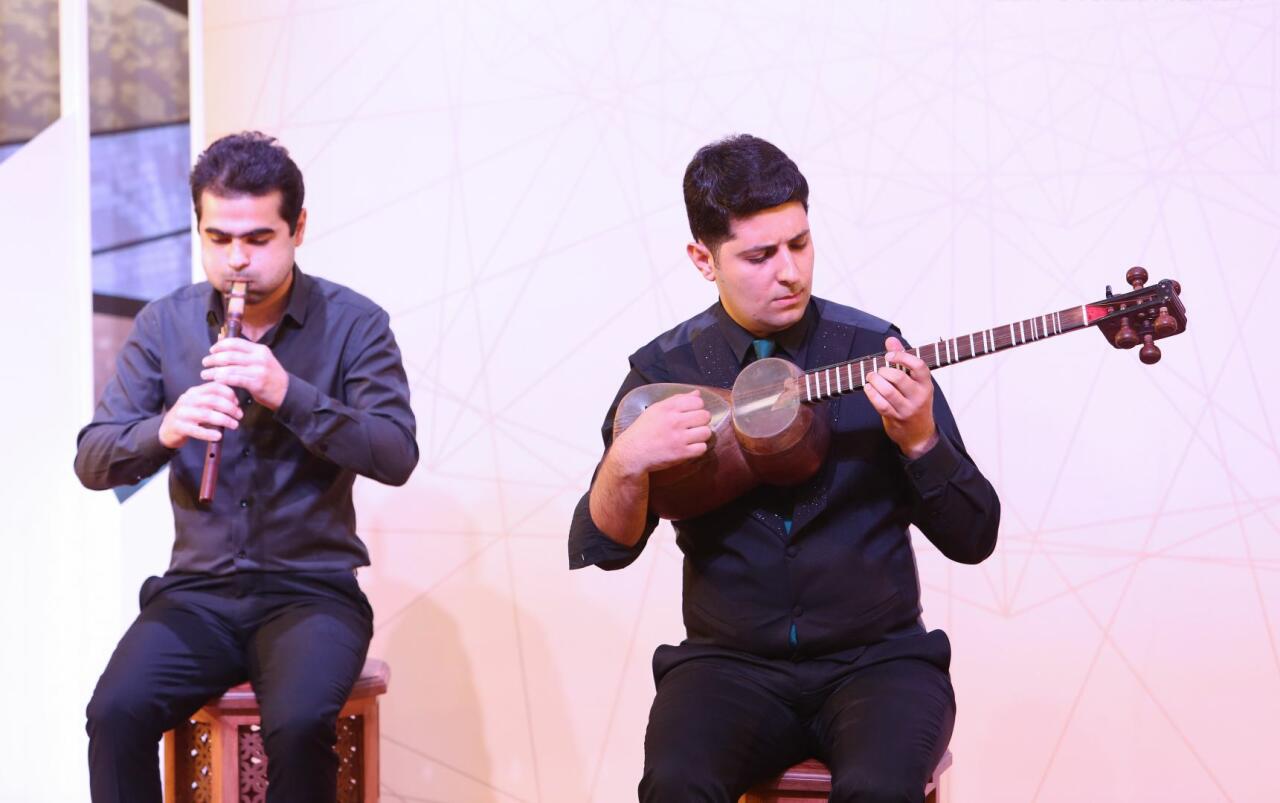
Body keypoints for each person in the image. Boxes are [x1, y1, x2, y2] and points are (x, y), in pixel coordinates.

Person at [568, 134, 1000, 803]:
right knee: (676, 784)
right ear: (704, 260)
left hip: (879, 663)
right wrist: (625, 464)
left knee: (880, 789)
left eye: (800, 244)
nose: (790, 271)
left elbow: (974, 538)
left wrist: (921, 441)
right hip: (728, 667)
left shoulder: (875, 349)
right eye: (760, 255)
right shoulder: (664, 371)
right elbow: (605, 548)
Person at [75, 131, 418, 803]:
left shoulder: (355, 323)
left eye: (258, 239)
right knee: (113, 714)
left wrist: (288, 392)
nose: (236, 259)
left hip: (311, 592)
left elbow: (395, 452)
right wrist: (165, 428)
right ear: (199, 230)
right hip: (196, 592)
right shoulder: (164, 324)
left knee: (300, 724)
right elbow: (93, 458)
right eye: (219, 238)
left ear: (298, 229)